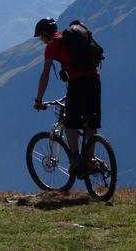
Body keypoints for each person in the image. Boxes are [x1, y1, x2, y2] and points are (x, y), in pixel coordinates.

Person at [32, 17, 101, 178]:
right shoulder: (71, 38)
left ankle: (76, 159)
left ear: (45, 34)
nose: (42, 41)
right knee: (91, 121)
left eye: (41, 37)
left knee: (71, 122)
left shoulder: (52, 46)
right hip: (95, 80)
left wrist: (38, 100)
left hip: (77, 83)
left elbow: (45, 75)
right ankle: (90, 160)